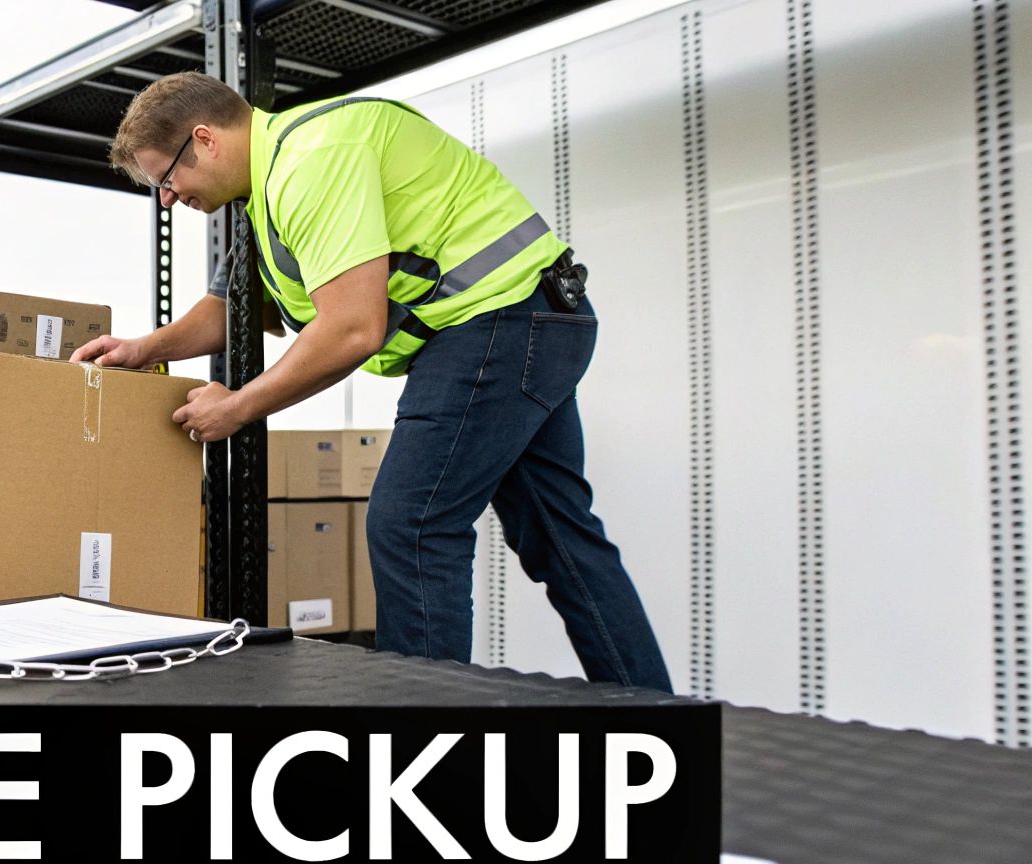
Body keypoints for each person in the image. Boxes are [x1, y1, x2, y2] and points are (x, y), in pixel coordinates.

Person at [71, 72, 672, 691]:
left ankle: (428, 751)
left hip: (498, 321)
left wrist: (239, 408)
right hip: (535, 319)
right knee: (558, 536)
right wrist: (146, 348)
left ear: (206, 140)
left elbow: (353, 328)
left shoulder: (313, 163)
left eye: (166, 178)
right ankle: (655, 709)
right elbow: (235, 307)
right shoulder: (272, 188)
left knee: (410, 526)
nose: (167, 199)